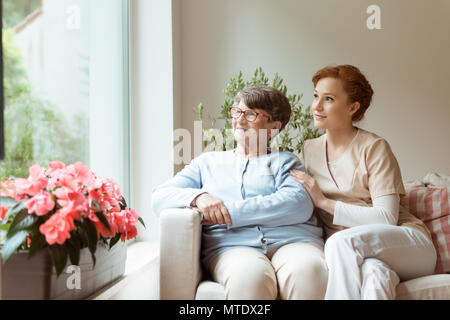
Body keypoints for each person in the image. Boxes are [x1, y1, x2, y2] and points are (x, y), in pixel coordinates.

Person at [152, 84, 327, 300]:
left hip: (294, 241)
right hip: (233, 247)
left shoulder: (286, 161)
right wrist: (199, 197)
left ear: (273, 127)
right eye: (237, 112)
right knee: (249, 277)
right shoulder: (207, 163)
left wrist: (225, 212)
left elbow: (297, 205)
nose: (240, 120)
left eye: (251, 114)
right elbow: (159, 196)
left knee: (308, 270)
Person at [290, 64, 437, 300]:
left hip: (408, 245)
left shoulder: (374, 148)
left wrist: (324, 202)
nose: (316, 106)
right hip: (363, 254)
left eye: (328, 99)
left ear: (352, 107)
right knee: (375, 276)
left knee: (339, 243)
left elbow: (386, 218)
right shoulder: (310, 149)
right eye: (316, 96)